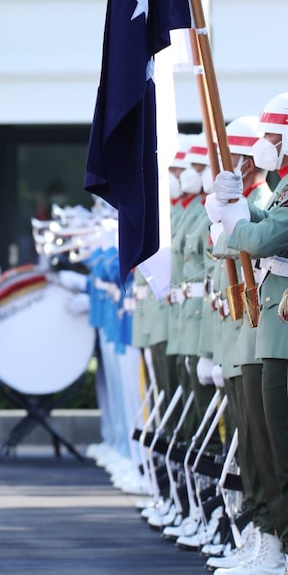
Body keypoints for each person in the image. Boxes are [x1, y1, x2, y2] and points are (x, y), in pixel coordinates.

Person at [209, 92, 288, 575]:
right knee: (267, 450)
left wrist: (239, 218)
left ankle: (277, 544)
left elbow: (261, 239)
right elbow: (248, 234)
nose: (268, 147)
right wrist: (236, 210)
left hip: (276, 331)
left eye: (275, 137)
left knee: (278, 451)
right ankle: (270, 541)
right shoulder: (280, 192)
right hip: (267, 334)